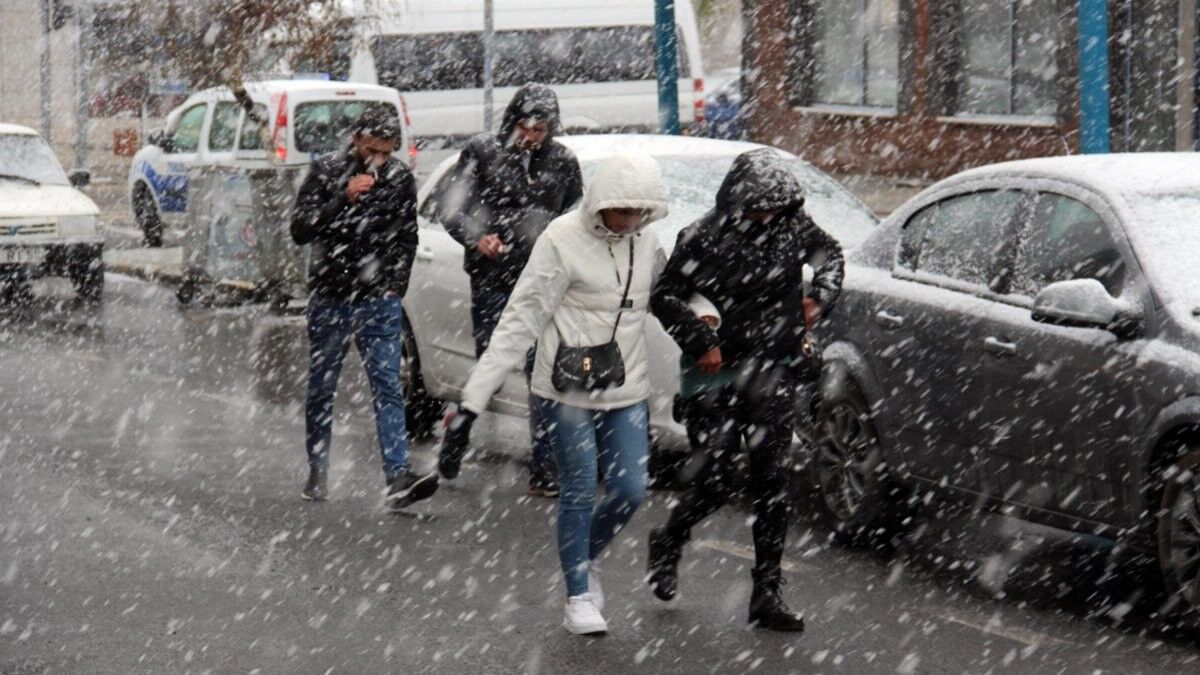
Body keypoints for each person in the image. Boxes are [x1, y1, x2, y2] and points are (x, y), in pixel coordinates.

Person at [439, 153, 669, 635]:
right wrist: (473, 398)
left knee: (629, 490)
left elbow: (671, 294)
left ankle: (585, 556)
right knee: (580, 489)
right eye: (622, 211)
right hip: (563, 388)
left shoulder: (647, 242)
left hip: (624, 386)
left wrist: (706, 314)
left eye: (639, 213)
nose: (630, 221)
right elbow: (520, 319)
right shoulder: (561, 239)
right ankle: (578, 594)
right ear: (601, 202)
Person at [645, 148, 844, 632]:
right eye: (759, 207)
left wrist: (818, 299)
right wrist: (699, 339)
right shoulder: (700, 237)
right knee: (714, 479)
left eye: (776, 207)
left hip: (774, 367)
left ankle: (767, 592)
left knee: (771, 483)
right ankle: (669, 539)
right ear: (736, 201)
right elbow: (664, 295)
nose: (767, 215)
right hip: (714, 371)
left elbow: (831, 257)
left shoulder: (795, 227)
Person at [429, 83, 584, 497]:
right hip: (493, 277)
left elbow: (574, 210)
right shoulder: (483, 152)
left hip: (543, 280)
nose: (531, 135)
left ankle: (544, 468)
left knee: (543, 371)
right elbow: (450, 206)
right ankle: (457, 434)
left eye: (540, 128)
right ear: (511, 121)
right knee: (492, 366)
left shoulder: (563, 161)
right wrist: (477, 236)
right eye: (525, 126)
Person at [290, 106, 438, 511]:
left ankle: (397, 476)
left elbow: (407, 236)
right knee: (323, 386)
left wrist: (395, 285)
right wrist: (343, 197)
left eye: (387, 153)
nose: (380, 160)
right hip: (331, 296)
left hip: (377, 300)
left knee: (389, 386)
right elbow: (301, 229)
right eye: (373, 151)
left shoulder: (399, 179)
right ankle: (317, 468)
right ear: (355, 139)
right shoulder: (324, 171)